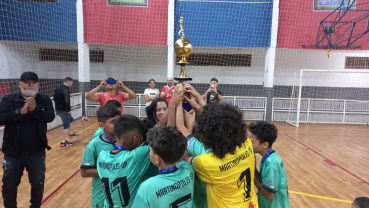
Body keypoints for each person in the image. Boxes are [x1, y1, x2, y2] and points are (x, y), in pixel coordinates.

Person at [180, 100, 258, 208]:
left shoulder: (208, 163)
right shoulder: (247, 144)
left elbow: (185, 156)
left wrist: (177, 102)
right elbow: (221, 118)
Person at [0, 71, 55, 208]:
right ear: (20, 84)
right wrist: (20, 112)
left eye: (33, 82)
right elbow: (1, 118)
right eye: (27, 82)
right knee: (9, 185)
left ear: (38, 84)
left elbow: (50, 117)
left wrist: (35, 109)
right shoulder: (8, 99)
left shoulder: (44, 100)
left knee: (37, 184)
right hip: (12, 153)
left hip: (37, 152)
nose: (30, 85)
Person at [96, 114, 153, 208]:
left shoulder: (102, 156)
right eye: (141, 139)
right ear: (135, 138)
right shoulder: (135, 156)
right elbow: (160, 142)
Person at [132, 126, 195, 208]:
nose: (149, 153)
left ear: (157, 159)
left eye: (150, 151)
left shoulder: (147, 187)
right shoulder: (188, 169)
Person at [80, 105, 121, 208]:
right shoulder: (93, 145)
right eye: (113, 122)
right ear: (102, 125)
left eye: (119, 120)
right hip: (101, 195)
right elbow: (84, 172)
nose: (118, 124)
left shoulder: (125, 141)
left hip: (120, 195)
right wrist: (111, 170)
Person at [248, 121, 290, 208]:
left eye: (251, 142)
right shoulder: (267, 157)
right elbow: (264, 181)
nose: (247, 144)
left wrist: (251, 177)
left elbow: (269, 195)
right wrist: (253, 167)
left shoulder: (272, 163)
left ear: (265, 144)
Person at [53, 77, 79, 147]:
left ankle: (71, 134)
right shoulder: (66, 90)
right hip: (64, 111)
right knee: (66, 126)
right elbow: (67, 101)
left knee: (70, 119)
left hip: (58, 110)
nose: (71, 85)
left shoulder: (58, 88)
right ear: (69, 82)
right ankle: (63, 142)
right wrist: (68, 110)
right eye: (72, 83)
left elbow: (54, 98)